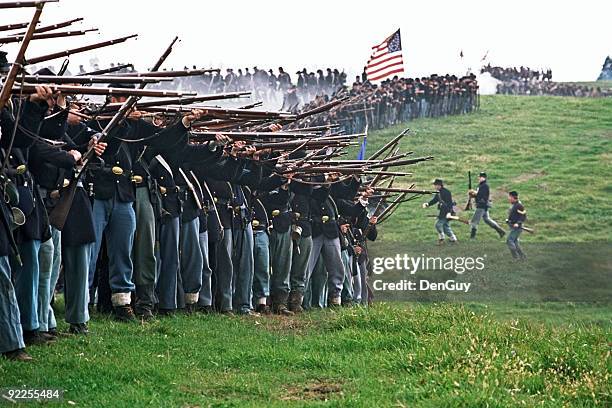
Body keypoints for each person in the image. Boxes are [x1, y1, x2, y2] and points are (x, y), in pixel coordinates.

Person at [469, 172, 505, 239]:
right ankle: (501, 231)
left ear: (483, 177)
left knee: (474, 222)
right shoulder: (481, 185)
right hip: (482, 205)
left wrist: (474, 193)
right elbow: (479, 195)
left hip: (481, 206)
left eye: (480, 177)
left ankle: (472, 238)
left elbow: (482, 196)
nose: (478, 178)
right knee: (487, 220)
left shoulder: (484, 186)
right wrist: (473, 194)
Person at [423, 179, 457, 244]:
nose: (434, 186)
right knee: (445, 226)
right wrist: (428, 204)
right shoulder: (438, 192)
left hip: (447, 212)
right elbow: (435, 200)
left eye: (435, 185)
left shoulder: (447, 192)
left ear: (439, 185)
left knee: (438, 225)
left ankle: (441, 238)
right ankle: (453, 238)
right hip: (442, 212)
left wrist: (449, 213)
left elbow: (449, 203)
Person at [506, 191, 527, 259]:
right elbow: (515, 215)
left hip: (517, 228)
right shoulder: (514, 205)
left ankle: (515, 257)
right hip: (513, 227)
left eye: (509, 197)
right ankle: (522, 256)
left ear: (512, 197)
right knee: (515, 242)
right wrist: (508, 220)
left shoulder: (519, 205)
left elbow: (523, 216)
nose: (508, 198)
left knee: (509, 240)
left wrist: (518, 223)